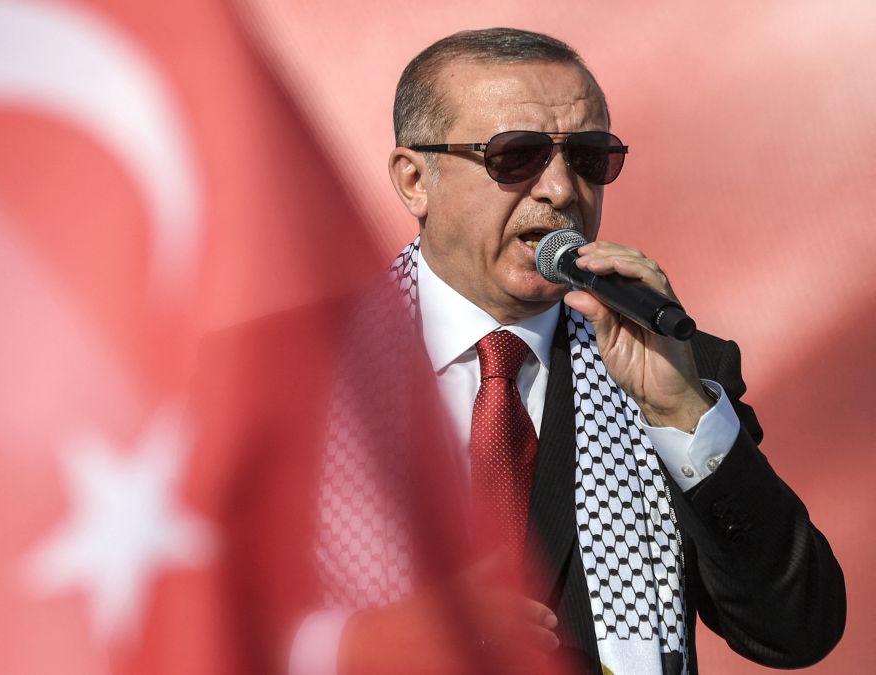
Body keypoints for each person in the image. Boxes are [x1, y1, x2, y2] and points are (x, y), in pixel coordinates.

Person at [202, 28, 845, 675]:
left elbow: (797, 628)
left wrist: (682, 414)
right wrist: (370, 642)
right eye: (517, 156)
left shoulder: (675, 368)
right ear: (413, 179)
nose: (563, 190)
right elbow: (177, 623)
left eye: (590, 158)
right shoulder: (278, 375)